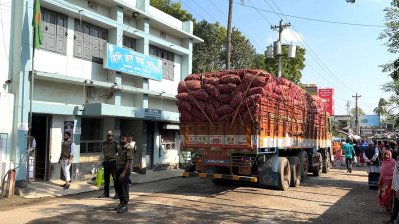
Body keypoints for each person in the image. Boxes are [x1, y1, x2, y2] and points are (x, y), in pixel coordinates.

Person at [114, 134, 134, 213]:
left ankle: (125, 204)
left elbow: (129, 161)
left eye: (123, 139)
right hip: (119, 169)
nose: (122, 140)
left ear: (127, 139)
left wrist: (123, 173)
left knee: (124, 187)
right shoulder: (120, 147)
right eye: (121, 139)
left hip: (124, 170)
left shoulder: (129, 148)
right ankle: (121, 203)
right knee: (118, 186)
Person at [99, 131, 119, 199]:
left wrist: (117, 162)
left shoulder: (115, 144)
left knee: (115, 178)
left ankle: (117, 193)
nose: (109, 137)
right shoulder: (104, 144)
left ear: (112, 136)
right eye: (108, 135)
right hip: (106, 162)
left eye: (110, 135)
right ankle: (106, 193)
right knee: (106, 179)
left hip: (113, 162)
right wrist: (103, 161)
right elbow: (104, 153)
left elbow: (119, 153)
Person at [391, 157, 399, 223]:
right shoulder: (397, 162)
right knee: (396, 204)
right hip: (397, 187)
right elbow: (395, 175)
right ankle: (393, 219)